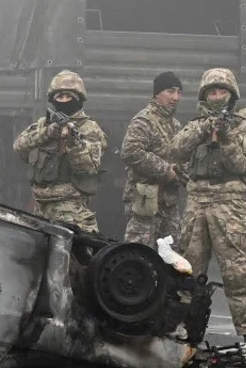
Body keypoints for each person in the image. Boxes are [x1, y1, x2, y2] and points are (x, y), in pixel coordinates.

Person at [170, 68, 246, 344]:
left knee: (237, 271)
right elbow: (175, 150)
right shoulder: (196, 123)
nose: (217, 96)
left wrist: (225, 136)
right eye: (212, 92)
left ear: (232, 94)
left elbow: (240, 164)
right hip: (197, 201)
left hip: (229, 202)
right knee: (188, 271)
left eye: (222, 91)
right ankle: (185, 330)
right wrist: (203, 128)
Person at [13, 70, 107, 233]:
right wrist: (46, 134)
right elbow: (19, 146)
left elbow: (88, 167)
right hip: (40, 210)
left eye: (68, 96)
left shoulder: (89, 129)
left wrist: (71, 142)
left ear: (78, 98)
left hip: (71, 212)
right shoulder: (44, 124)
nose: (63, 101)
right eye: (59, 97)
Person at [120, 71, 185, 249]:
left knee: (171, 259)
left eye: (179, 92)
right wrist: (165, 169)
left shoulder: (176, 125)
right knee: (139, 256)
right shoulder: (143, 121)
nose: (175, 97)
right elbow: (130, 152)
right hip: (145, 202)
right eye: (170, 91)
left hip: (168, 204)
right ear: (157, 93)